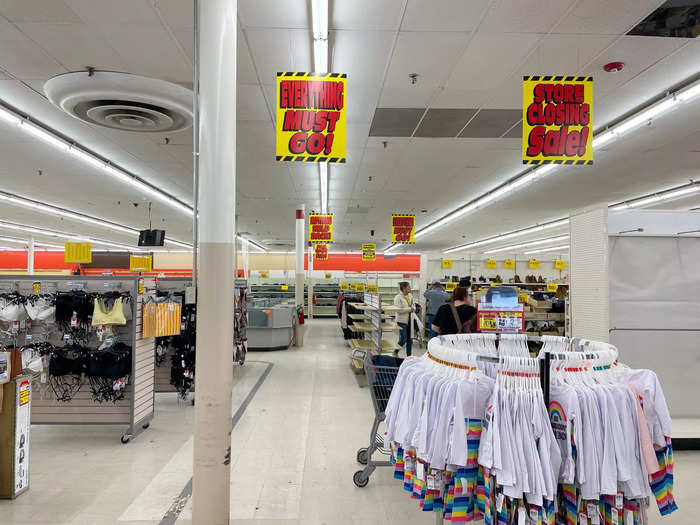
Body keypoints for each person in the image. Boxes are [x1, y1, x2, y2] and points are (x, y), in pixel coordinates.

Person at [393, 281, 415, 356]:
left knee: (410, 339)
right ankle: (395, 351)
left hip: (410, 320)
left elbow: (413, 305)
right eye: (408, 287)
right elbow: (398, 310)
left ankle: (409, 356)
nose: (410, 288)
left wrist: (413, 308)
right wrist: (409, 309)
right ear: (404, 288)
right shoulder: (398, 297)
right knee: (403, 339)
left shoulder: (410, 296)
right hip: (401, 321)